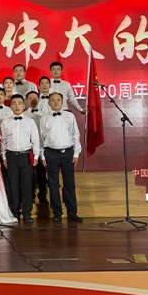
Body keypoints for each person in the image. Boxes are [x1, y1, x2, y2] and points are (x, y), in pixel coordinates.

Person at [40, 93, 83, 223]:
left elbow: (75, 135)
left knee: (69, 184)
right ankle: (57, 213)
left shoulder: (70, 116)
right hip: (51, 153)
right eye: (52, 100)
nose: (55, 102)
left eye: (58, 100)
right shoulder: (44, 119)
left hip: (68, 153)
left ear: (63, 102)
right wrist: (42, 155)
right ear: (49, 103)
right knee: (53, 184)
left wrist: (76, 153)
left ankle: (72, 212)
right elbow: (41, 139)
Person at [1, 94, 41, 223]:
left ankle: (27, 213)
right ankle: (15, 212)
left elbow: (35, 140)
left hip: (26, 156)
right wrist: (4, 157)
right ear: (10, 106)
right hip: (11, 156)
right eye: (14, 103)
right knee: (13, 185)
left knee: (27, 185)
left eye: (19, 103)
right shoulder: (5, 122)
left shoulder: (30, 122)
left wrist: (36, 156)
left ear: (24, 106)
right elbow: (3, 141)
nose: (17, 106)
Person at [24, 91, 48, 204]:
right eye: (30, 98)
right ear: (26, 101)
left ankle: (43, 195)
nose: (33, 100)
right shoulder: (23, 115)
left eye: (35, 98)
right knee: (28, 175)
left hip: (42, 149)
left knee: (42, 173)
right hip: (28, 149)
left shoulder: (45, 115)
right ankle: (30, 196)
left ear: (39, 100)